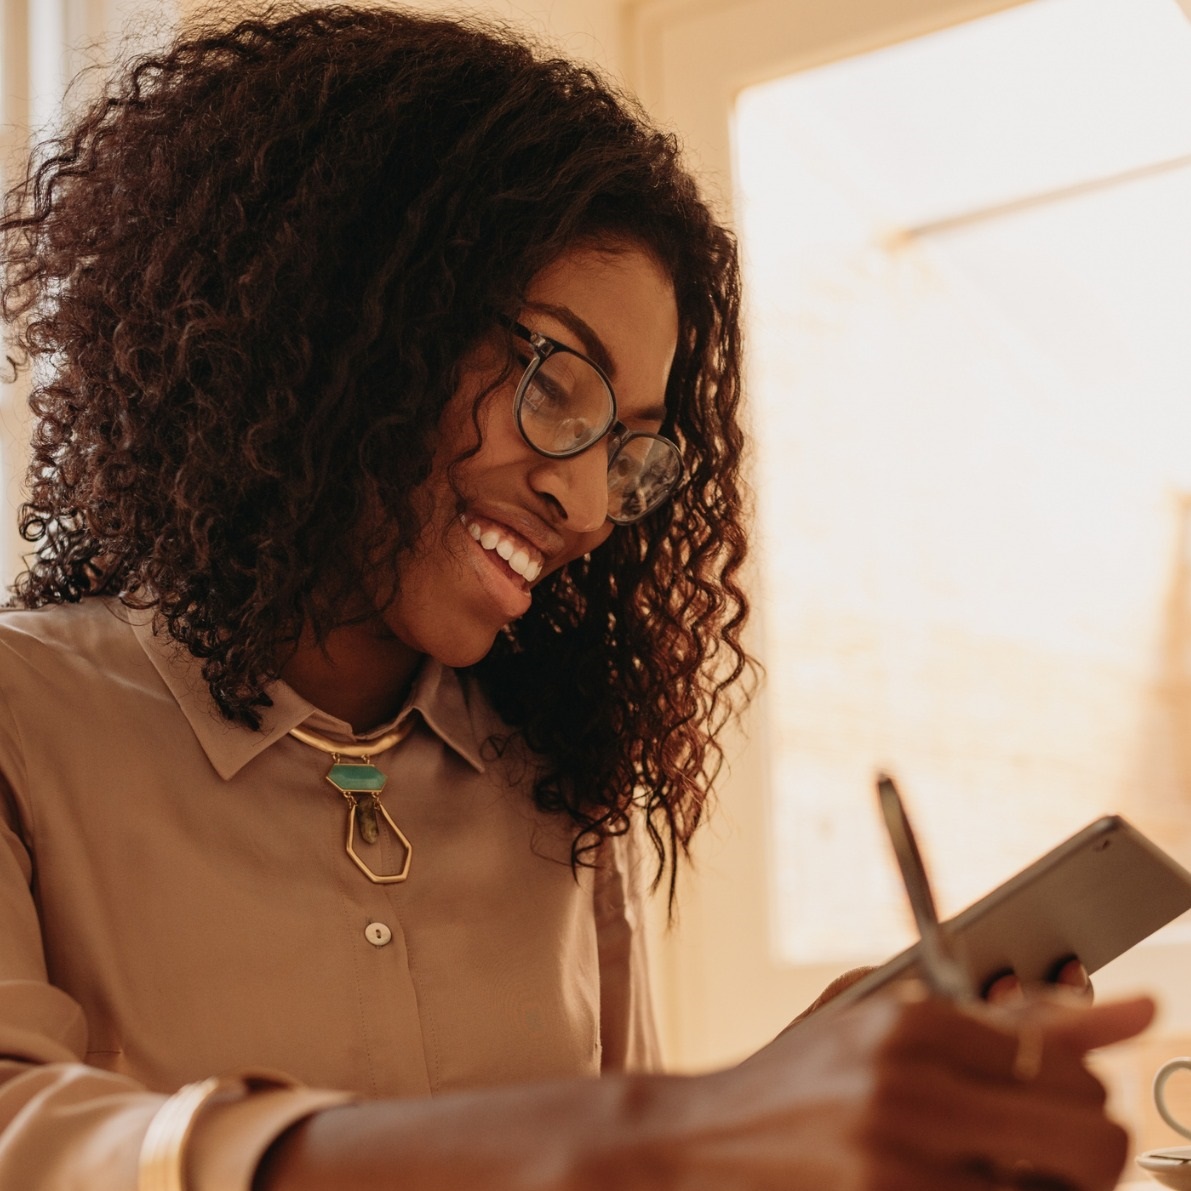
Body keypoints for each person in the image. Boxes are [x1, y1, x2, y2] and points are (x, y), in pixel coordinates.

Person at [0, 4, 1154, 1190]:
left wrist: (804, 1105)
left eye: (634, 453)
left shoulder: (546, 789)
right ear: (348, 311)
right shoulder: (24, 720)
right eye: (561, 379)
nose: (593, 505)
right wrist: (684, 1130)